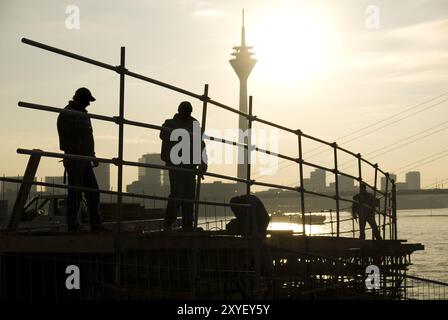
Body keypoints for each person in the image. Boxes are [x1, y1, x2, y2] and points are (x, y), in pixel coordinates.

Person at [57, 87, 107, 232]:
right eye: (87, 101)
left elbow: (87, 138)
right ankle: (73, 225)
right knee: (76, 192)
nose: (89, 104)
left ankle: (95, 224)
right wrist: (80, 151)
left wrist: (92, 155)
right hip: (75, 157)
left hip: (83, 158)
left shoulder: (81, 114)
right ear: (80, 99)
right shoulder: (68, 114)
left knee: (92, 192)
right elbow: (69, 136)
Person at [160, 101, 207, 232]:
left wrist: (203, 162)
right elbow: (163, 135)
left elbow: (201, 145)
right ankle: (169, 223)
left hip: (189, 166)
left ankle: (187, 225)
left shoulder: (194, 124)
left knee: (189, 195)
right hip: (176, 164)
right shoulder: (170, 123)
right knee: (178, 193)